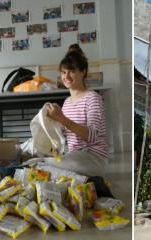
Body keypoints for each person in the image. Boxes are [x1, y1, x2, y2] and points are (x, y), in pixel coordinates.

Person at [45, 44, 109, 178]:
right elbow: (65, 135)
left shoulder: (93, 98)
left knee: (43, 166)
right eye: (63, 72)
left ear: (83, 71)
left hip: (93, 158)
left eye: (72, 71)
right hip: (76, 156)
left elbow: (92, 136)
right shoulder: (67, 102)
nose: (66, 76)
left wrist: (61, 118)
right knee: (39, 160)